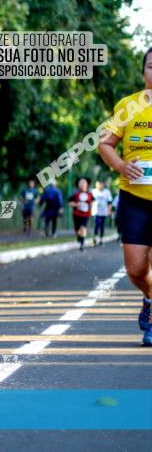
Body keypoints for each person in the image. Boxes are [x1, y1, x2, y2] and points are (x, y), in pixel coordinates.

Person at [98, 47, 152, 346]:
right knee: (136, 269)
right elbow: (105, 144)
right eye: (151, 65)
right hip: (134, 198)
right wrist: (120, 165)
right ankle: (148, 296)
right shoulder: (128, 106)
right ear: (144, 71)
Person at [68, 177, 93, 251]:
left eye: (84, 182)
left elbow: (93, 201)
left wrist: (90, 206)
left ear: (87, 184)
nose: (82, 184)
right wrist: (76, 204)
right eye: (80, 182)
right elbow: (69, 202)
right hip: (76, 214)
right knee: (77, 230)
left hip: (86, 215)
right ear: (78, 184)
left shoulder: (90, 194)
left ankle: (82, 244)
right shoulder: (75, 193)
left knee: (83, 228)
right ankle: (79, 236)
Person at [91, 180, 113, 246]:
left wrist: (109, 210)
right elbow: (90, 200)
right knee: (97, 224)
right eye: (97, 184)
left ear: (102, 185)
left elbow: (109, 202)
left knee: (102, 225)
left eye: (100, 184)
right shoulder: (93, 191)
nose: (99, 186)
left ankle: (101, 239)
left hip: (104, 211)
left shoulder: (107, 192)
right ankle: (95, 238)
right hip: (96, 211)